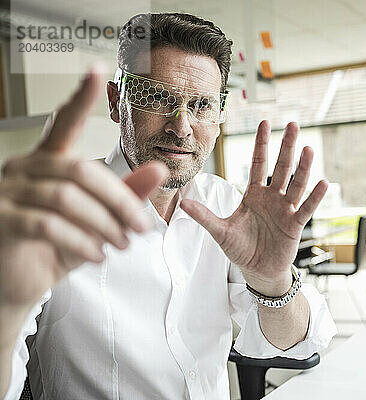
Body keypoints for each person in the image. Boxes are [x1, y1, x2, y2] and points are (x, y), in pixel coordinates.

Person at [0, 13, 336, 399]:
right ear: (116, 101)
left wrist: (273, 282)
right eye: (158, 97)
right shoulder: (52, 212)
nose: (182, 126)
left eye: (202, 105)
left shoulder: (227, 205)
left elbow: (299, 343)